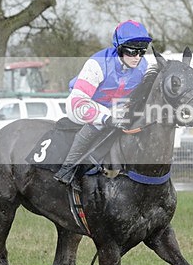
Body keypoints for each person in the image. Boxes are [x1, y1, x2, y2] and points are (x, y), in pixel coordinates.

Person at [54, 20, 152, 190]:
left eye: (142, 52)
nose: (137, 57)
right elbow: (77, 103)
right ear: (119, 47)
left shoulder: (143, 66)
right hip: (84, 103)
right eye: (133, 51)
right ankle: (67, 168)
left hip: (115, 107)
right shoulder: (98, 63)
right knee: (100, 123)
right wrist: (106, 118)